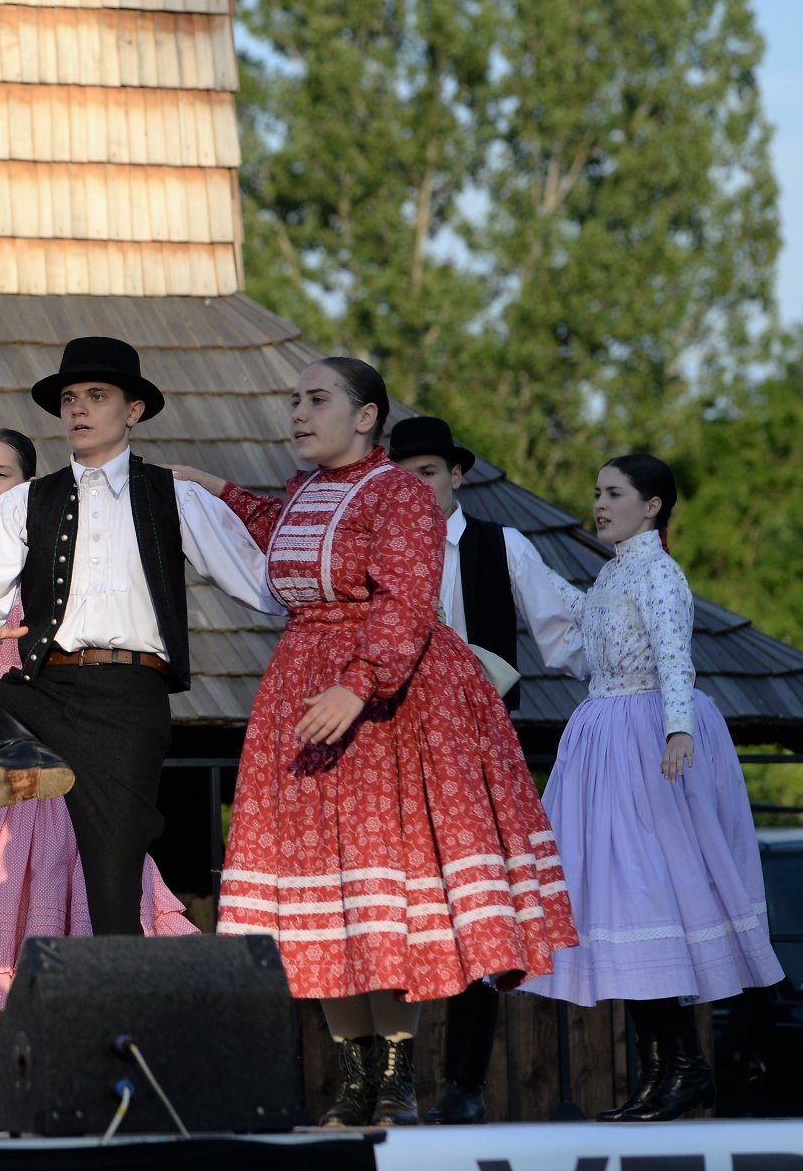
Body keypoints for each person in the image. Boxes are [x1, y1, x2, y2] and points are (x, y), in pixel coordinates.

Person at [206, 358, 577, 1128]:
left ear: (366, 416)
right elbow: (279, 532)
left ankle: (397, 1079)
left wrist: (360, 682)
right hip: (304, 690)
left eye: (317, 400)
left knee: (383, 879)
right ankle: (353, 1080)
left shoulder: (401, 494)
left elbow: (407, 598)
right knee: (326, 889)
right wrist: (211, 491)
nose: (298, 414)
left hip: (389, 702)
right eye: (295, 401)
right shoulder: (306, 491)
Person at [0, 336, 274, 947]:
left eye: (96, 396)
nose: (79, 409)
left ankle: (116, 1035)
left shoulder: (173, 495)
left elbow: (262, 585)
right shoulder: (27, 500)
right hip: (44, 690)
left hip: (129, 702)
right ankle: (18, 753)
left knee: (112, 905)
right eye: (69, 399)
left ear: (132, 410)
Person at [0, 427, 197, 1132]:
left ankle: (73, 1075)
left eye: (2, 474)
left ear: (29, 487)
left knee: (56, 913)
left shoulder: (59, 554)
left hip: (45, 740)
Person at [522, 454, 783, 1122]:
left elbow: (675, 656)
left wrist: (676, 732)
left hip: (642, 743)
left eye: (615, 493)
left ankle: (683, 1071)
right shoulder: (614, 570)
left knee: (648, 897)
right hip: (605, 745)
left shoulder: (661, 574)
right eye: (598, 492)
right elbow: (584, 636)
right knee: (619, 905)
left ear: (653, 505)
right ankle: (662, 1073)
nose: (600, 504)